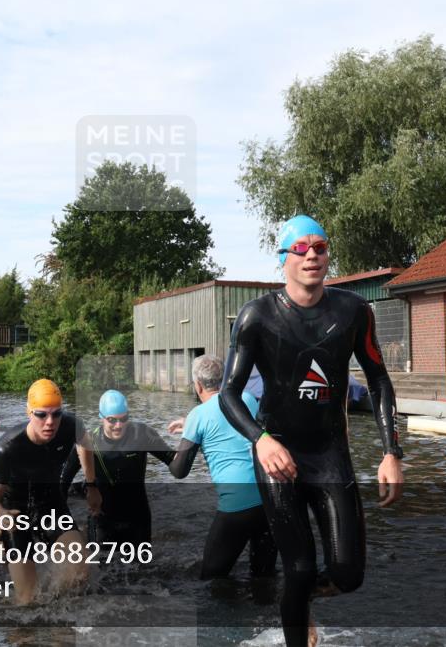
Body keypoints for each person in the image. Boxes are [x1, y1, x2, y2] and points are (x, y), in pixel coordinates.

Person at [219, 214, 404, 647]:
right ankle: (298, 623)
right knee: (299, 568)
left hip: (329, 454)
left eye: (320, 247)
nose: (312, 255)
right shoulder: (256, 317)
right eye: (301, 248)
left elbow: (378, 379)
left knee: (348, 574)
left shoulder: (353, 311)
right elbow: (228, 394)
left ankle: (299, 601)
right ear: (283, 258)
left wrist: (391, 452)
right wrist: (260, 440)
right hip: (277, 455)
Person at [0, 379, 94, 605]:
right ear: (29, 412)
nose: (50, 422)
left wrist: (92, 485)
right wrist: (1, 516)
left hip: (50, 503)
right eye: (41, 415)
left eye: (56, 414)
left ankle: (57, 611)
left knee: (81, 573)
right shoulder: (8, 447)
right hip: (15, 514)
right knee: (27, 600)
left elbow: (85, 441)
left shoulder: (71, 426)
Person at [168, 354, 277, 580]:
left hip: (237, 506)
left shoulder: (198, 415)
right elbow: (228, 421)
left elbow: (179, 471)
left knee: (210, 579)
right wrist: (190, 425)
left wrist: (186, 434)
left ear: (197, 385)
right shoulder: (247, 398)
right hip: (269, 499)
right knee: (264, 576)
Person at [61, 390, 174, 546]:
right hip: (102, 519)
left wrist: (194, 436)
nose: (118, 425)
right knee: (100, 568)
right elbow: (63, 482)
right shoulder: (89, 442)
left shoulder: (142, 434)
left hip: (137, 519)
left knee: (144, 569)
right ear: (101, 418)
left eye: (124, 419)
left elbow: (174, 462)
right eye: (112, 420)